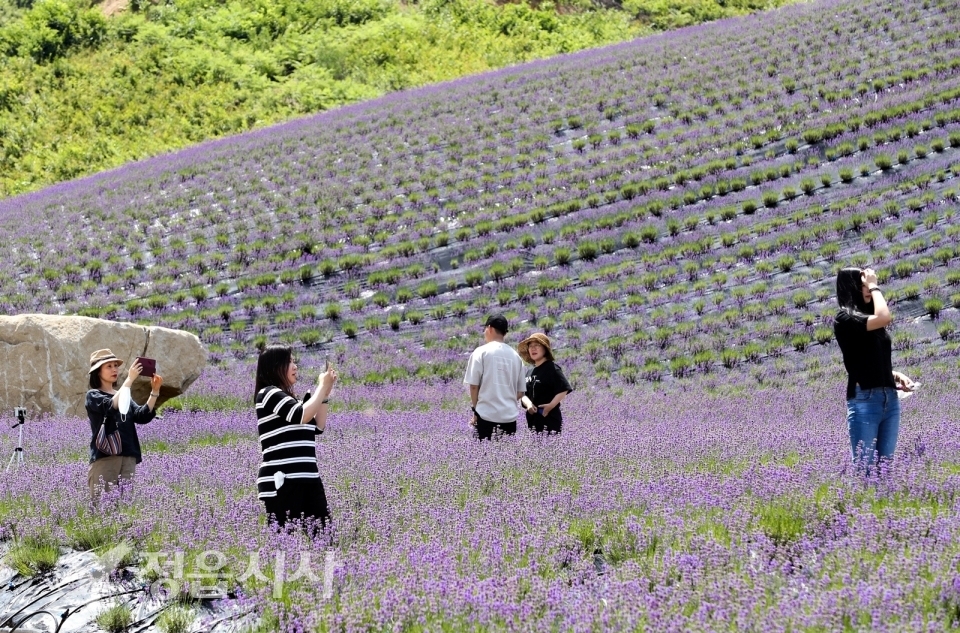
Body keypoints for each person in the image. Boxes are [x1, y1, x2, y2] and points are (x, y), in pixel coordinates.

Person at [834, 267, 916, 471]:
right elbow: (885, 316)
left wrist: (895, 376)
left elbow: (869, 358)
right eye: (862, 286)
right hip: (865, 401)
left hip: (890, 399)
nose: (868, 290)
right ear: (851, 287)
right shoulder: (844, 319)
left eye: (867, 285)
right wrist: (874, 284)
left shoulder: (871, 322)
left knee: (884, 470)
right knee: (866, 471)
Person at [255, 345, 336, 531]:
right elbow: (301, 415)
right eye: (289, 361)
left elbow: (318, 426)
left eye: (294, 361)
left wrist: (325, 392)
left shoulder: (292, 401)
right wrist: (321, 386)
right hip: (283, 481)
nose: (295, 366)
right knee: (284, 543)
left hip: (309, 479)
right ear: (275, 366)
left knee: (325, 540)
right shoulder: (268, 394)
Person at [86, 349, 164, 498]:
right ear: (98, 372)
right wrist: (129, 380)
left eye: (116, 365)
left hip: (128, 456)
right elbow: (110, 406)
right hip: (106, 456)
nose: (114, 369)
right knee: (102, 506)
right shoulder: (93, 395)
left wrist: (154, 391)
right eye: (109, 366)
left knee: (124, 506)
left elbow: (142, 416)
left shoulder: (122, 393)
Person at [463, 314, 527, 440]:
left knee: (484, 457)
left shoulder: (481, 352)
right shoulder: (516, 357)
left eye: (485, 329)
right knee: (507, 457)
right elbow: (520, 392)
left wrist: (476, 411)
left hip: (486, 417)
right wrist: (504, 399)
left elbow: (474, 386)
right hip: (509, 418)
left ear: (490, 328)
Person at [518, 333, 573, 435]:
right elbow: (523, 394)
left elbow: (564, 389)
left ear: (545, 349)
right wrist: (529, 404)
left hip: (549, 418)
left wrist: (550, 406)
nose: (533, 349)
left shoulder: (552, 368)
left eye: (537, 345)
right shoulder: (530, 372)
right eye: (530, 346)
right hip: (533, 420)